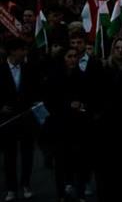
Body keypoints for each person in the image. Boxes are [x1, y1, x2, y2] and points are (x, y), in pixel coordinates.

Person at [42, 46, 94, 201]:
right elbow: (49, 102)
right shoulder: (54, 78)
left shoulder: (82, 77)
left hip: (79, 125)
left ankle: (80, 193)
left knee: (80, 161)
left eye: (75, 56)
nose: (73, 59)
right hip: (60, 126)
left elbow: (89, 98)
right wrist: (68, 105)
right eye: (69, 56)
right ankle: (62, 193)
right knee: (61, 162)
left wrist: (82, 105)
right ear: (63, 58)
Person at [1, 38, 39, 201]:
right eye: (22, 50)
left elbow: (36, 90)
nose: (25, 53)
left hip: (26, 117)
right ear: (12, 51)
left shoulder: (29, 68)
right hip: (8, 119)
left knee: (27, 154)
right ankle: (11, 188)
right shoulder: (1, 69)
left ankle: (26, 184)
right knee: (9, 155)